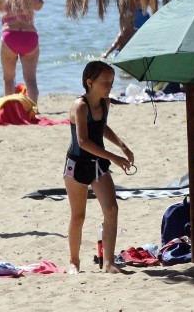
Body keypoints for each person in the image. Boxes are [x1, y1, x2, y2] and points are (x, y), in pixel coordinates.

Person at [63, 61, 134, 274]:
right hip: (77, 166)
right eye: (105, 82)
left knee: (111, 210)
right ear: (89, 82)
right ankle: (73, 262)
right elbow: (83, 141)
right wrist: (114, 157)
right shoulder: (80, 105)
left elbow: (101, 126)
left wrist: (122, 146)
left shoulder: (105, 103)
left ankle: (109, 263)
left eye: (111, 82)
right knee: (78, 216)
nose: (109, 86)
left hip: (98, 165)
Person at [0, 0, 44, 104]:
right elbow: (40, 5)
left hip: (10, 37)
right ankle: (32, 109)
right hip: (29, 37)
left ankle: (10, 109)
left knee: (8, 79)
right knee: (30, 79)